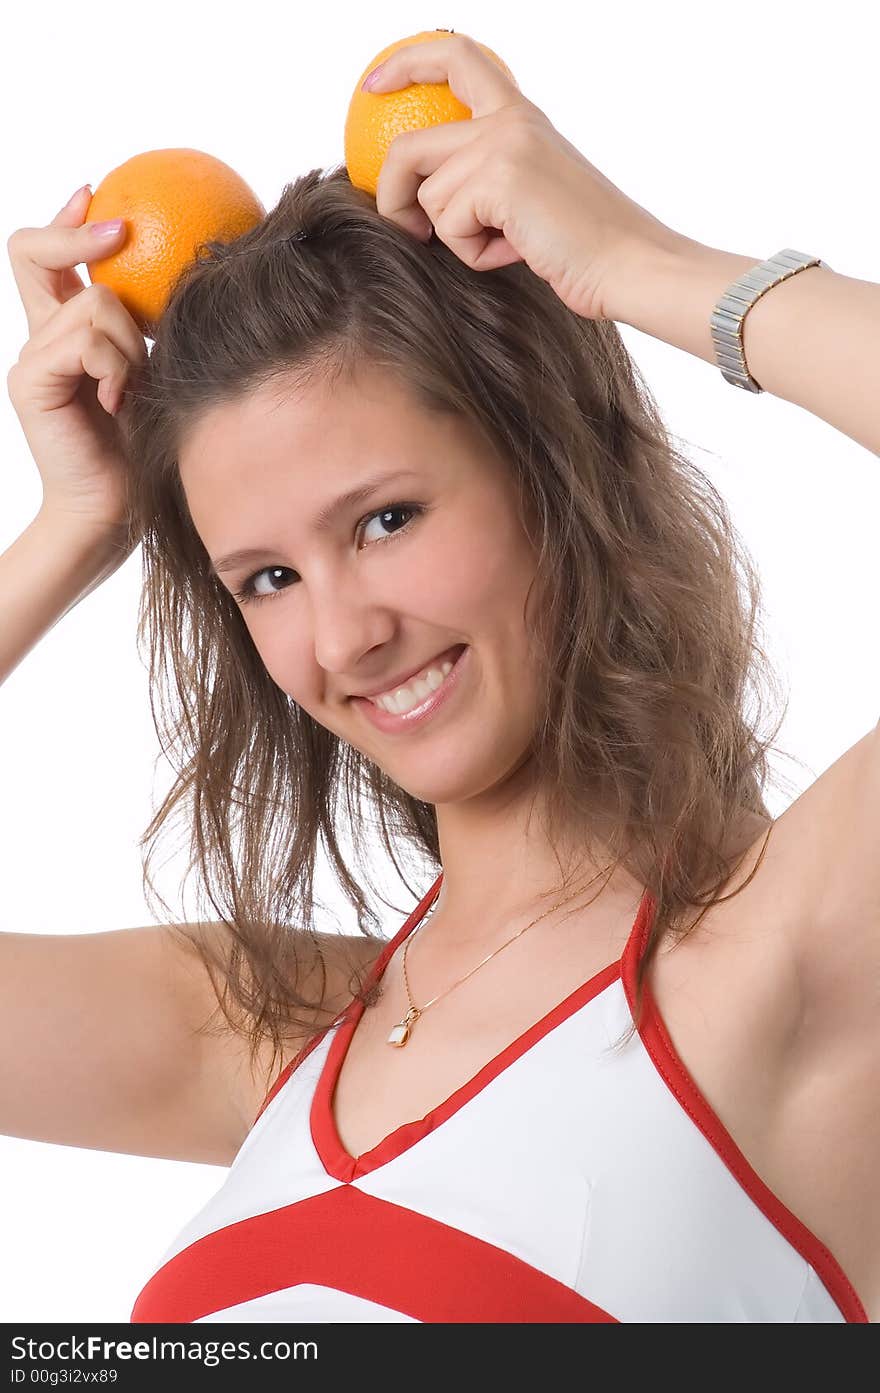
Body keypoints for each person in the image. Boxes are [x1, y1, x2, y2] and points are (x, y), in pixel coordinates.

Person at [3, 34, 877, 1323]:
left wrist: (643, 265)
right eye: (267, 579)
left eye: (386, 521)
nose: (344, 637)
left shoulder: (786, 958)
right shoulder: (259, 1036)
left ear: (549, 471)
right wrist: (69, 527)